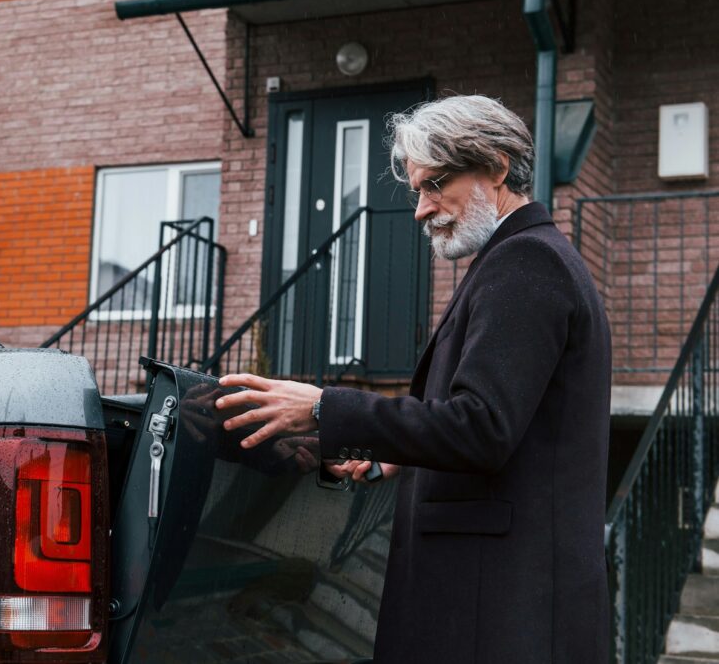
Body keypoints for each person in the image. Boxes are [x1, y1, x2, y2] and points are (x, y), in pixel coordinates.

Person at [216, 95, 611, 664]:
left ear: (497, 167)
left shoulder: (527, 263)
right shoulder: (520, 259)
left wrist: (327, 408)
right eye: (417, 191)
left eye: (435, 185)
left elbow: (481, 426)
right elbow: (508, 427)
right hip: (501, 606)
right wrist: (402, 453)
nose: (422, 210)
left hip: (501, 613)